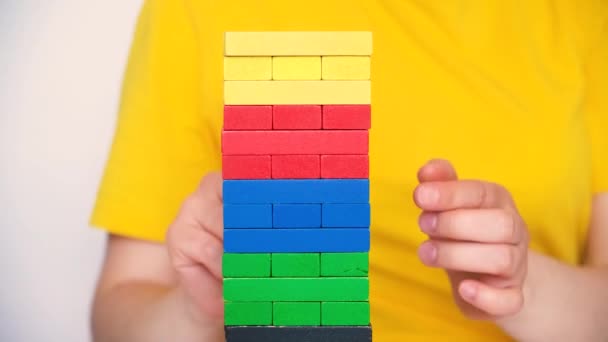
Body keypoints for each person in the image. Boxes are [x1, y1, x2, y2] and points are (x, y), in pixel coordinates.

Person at [89, 0, 608, 341]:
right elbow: (118, 309)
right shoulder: (198, 11)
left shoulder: (585, 20)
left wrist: (520, 285)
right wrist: (197, 308)